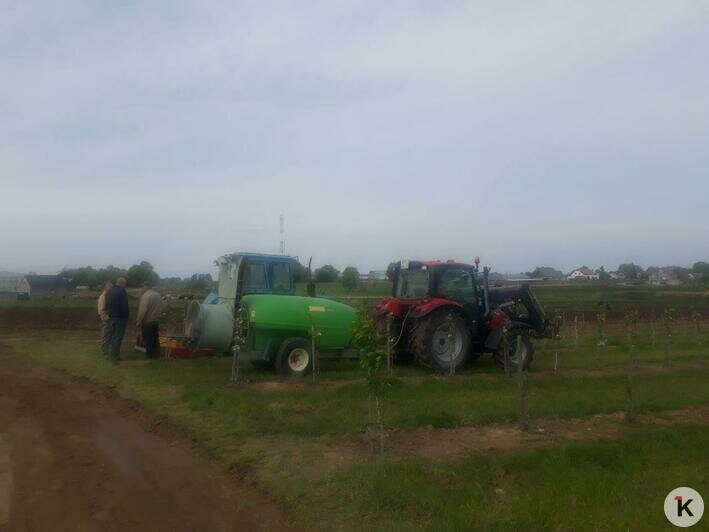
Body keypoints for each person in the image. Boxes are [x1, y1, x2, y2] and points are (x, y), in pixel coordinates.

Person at [106, 277, 129, 363]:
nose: (125, 286)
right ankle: (115, 357)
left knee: (113, 336)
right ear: (122, 283)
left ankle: (111, 354)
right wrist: (127, 316)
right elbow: (124, 306)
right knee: (118, 337)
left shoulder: (110, 291)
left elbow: (107, 303)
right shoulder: (122, 292)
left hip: (112, 317)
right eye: (125, 284)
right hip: (120, 318)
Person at [136, 281, 162, 359]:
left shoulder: (146, 296)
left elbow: (143, 310)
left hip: (147, 322)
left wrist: (139, 321)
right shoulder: (158, 295)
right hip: (155, 321)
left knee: (148, 339)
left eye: (142, 287)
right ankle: (156, 354)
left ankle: (149, 356)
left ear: (146, 287)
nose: (141, 289)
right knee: (155, 338)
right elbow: (160, 308)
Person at [97, 281, 113, 356]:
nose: (111, 288)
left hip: (110, 319)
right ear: (105, 287)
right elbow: (101, 310)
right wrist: (106, 318)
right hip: (107, 320)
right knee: (106, 335)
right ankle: (104, 351)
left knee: (109, 336)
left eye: (111, 286)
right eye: (109, 286)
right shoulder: (103, 296)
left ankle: (108, 350)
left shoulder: (108, 295)